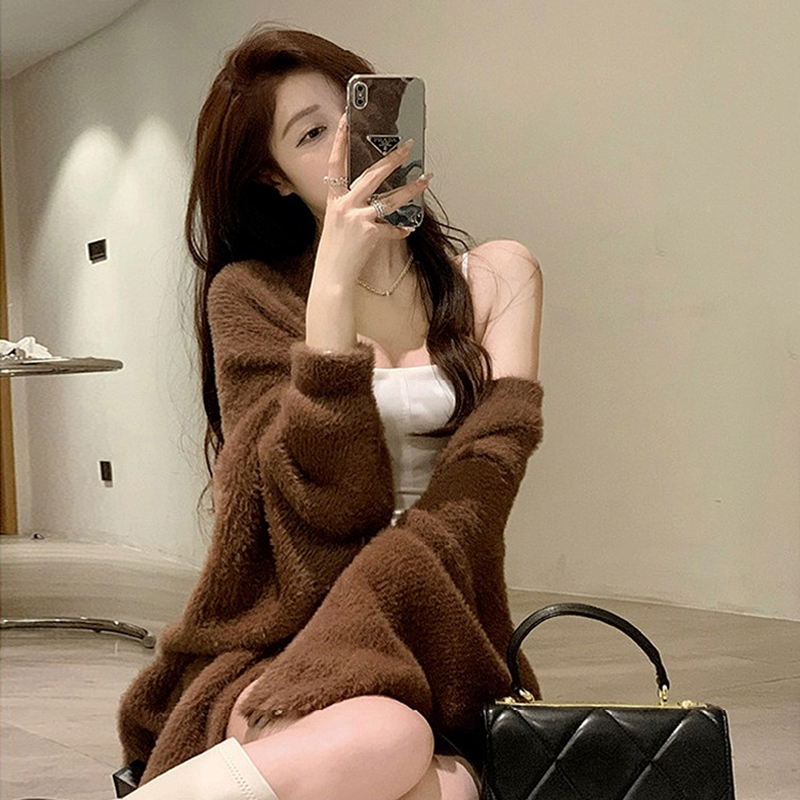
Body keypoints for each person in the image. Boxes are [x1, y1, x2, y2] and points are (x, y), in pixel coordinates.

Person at [45, 24, 543, 800]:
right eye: (312, 134)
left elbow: (488, 479)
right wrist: (333, 292)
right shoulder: (248, 297)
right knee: (394, 741)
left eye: (355, 113)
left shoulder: (499, 277)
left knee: (435, 777)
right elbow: (318, 507)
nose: (347, 145)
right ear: (274, 177)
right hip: (289, 631)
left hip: (444, 626)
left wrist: (393, 576)